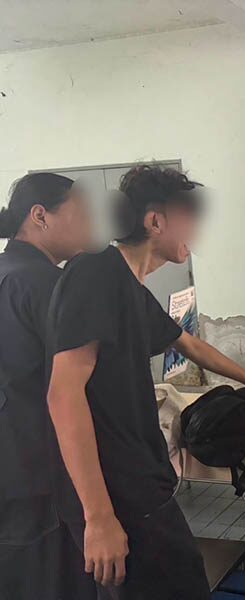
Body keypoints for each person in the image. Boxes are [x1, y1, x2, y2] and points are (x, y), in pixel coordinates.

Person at [46, 165, 245, 600]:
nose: (196, 231)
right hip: (118, 494)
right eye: (188, 217)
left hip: (142, 484)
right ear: (155, 221)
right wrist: (99, 517)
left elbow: (188, 343)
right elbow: (63, 395)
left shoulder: (131, 289)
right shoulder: (93, 275)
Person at [0, 173, 96, 600]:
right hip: (41, 473)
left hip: (12, 470)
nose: (89, 225)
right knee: (56, 581)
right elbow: (72, 393)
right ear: (40, 216)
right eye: (81, 213)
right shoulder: (46, 286)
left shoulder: (8, 273)